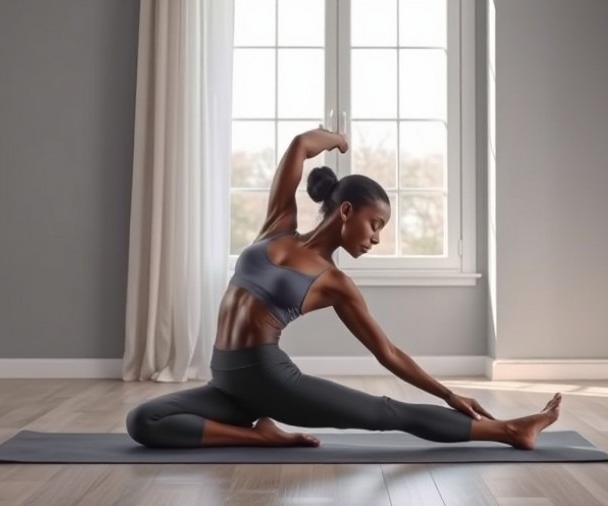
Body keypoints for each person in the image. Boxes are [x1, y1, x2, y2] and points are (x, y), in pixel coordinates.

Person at [126, 127, 561, 450]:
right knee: (143, 420)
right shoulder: (279, 226)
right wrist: (336, 139)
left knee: (387, 413)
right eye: (375, 224)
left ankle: (510, 430)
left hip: (271, 380)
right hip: (226, 383)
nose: (376, 238)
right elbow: (299, 147)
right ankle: (261, 438)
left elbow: (387, 352)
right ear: (347, 211)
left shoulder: (336, 284)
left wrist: (448, 393)